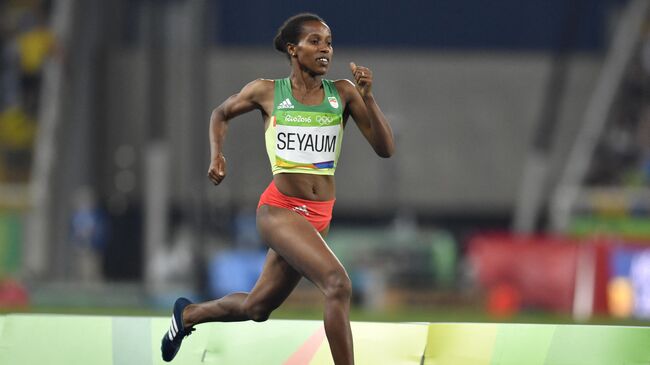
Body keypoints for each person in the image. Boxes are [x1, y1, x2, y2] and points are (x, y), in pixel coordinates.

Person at [161, 13, 394, 365]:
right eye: (315, 41)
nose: (325, 49)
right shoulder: (267, 92)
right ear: (292, 49)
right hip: (279, 211)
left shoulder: (343, 93)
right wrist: (217, 156)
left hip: (319, 216)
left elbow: (385, 148)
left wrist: (369, 99)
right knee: (338, 284)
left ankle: (189, 314)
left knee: (258, 307)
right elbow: (220, 114)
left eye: (329, 42)